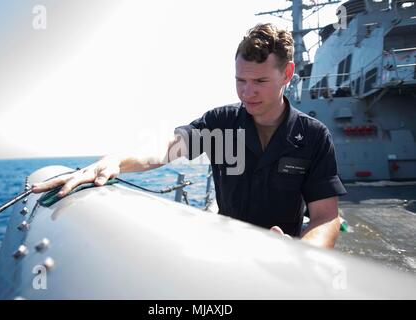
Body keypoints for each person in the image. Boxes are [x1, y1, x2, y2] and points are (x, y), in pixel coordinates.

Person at [32, 23, 347, 248]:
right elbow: (168, 146)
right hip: (226, 252)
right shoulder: (220, 123)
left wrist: (305, 255)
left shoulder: (313, 136)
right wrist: (116, 161)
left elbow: (325, 217)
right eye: (240, 80)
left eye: (260, 81)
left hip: (283, 259)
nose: (247, 92)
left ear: (287, 74)